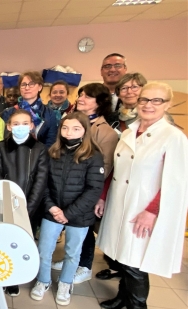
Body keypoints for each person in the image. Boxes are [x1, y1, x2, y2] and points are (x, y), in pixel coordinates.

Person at [96, 82, 188, 309]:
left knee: (136, 262)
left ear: (167, 104)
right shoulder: (128, 133)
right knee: (122, 256)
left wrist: (152, 211)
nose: (149, 105)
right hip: (119, 202)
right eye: (145, 100)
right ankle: (122, 298)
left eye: (157, 101)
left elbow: (176, 181)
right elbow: (116, 168)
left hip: (143, 209)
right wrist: (103, 197)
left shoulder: (173, 137)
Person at [30, 112, 104, 306]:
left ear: (84, 131)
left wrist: (68, 213)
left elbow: (94, 189)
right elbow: (43, 183)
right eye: (65, 128)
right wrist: (52, 207)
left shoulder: (93, 156)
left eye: (76, 128)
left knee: (73, 252)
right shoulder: (53, 152)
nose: (69, 133)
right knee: (44, 250)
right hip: (52, 210)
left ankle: (65, 282)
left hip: (79, 214)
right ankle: (43, 280)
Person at [53, 83, 119, 284]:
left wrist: (95, 194)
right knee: (71, 228)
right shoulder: (70, 121)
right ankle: (69, 260)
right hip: (66, 186)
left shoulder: (105, 131)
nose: (80, 98)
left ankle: (85, 266)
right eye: (80, 95)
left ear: (99, 103)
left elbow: (105, 166)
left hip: (86, 190)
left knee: (85, 228)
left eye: (87, 97)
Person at [0, 109, 49, 296]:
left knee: (21, 243)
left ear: (32, 126)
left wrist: (27, 208)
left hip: (28, 208)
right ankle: (3, 275)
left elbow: (40, 181)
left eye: (25, 123)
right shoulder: (0, 148)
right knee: (3, 242)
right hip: (5, 205)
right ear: (9, 127)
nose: (20, 127)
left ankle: (15, 278)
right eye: (16, 124)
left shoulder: (40, 149)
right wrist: (6, 206)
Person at [1, 71, 60, 149]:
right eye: (23, 84)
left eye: (31, 84)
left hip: (41, 157)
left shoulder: (49, 113)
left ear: (40, 87)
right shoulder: (9, 112)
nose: (27, 87)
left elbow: (51, 141)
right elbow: (6, 139)